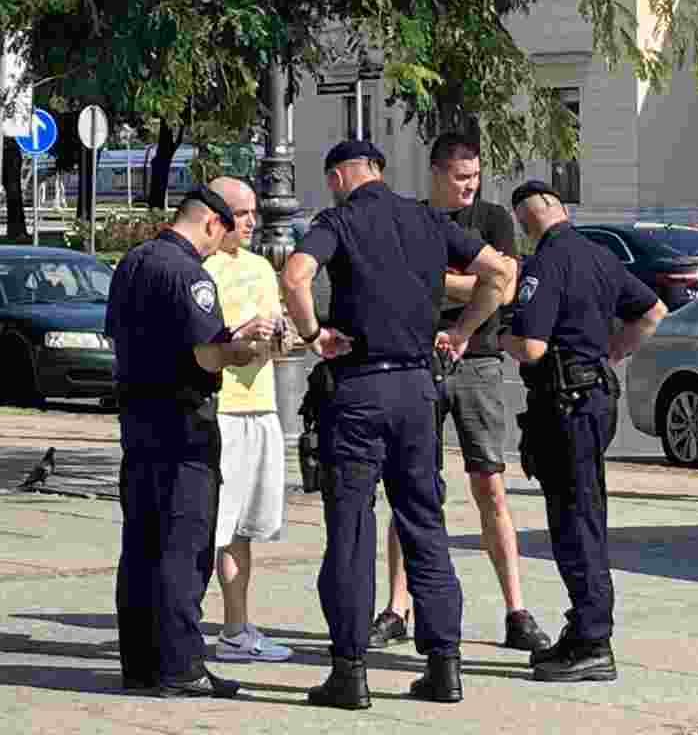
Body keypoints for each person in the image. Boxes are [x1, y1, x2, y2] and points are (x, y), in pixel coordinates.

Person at [281, 140, 516, 709]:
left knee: (352, 529)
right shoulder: (427, 219)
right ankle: (444, 666)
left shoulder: (337, 220)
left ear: (339, 177)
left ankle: (350, 670)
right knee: (424, 524)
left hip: (360, 386)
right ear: (381, 172)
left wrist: (315, 337)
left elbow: (294, 277)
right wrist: (463, 329)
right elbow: (501, 271)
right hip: (418, 388)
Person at [368, 133, 550, 654]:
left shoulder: (493, 220)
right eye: (460, 177)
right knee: (411, 486)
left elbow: (506, 286)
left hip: (480, 360)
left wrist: (438, 280)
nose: (469, 186)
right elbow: (403, 284)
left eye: (475, 176)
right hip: (420, 360)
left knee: (489, 482)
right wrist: (470, 279)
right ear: (436, 173)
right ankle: (396, 607)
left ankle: (516, 609)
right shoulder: (414, 218)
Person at [106, 184, 277, 698]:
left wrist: (229, 336)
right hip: (184, 429)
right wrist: (246, 343)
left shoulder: (133, 263)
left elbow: (122, 336)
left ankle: (140, 664)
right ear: (209, 223)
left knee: (140, 546)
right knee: (184, 548)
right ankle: (181, 667)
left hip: (138, 423)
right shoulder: (188, 272)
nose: (216, 247)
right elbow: (207, 354)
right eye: (220, 235)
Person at [499, 180, 666, 683]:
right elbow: (652, 312)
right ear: (560, 209)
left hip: (566, 405)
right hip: (594, 396)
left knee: (575, 522)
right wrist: (612, 353)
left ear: (525, 221)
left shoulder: (546, 262)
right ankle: (585, 627)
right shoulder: (598, 256)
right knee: (587, 513)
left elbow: (530, 347)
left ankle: (593, 639)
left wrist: (501, 333)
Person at [202, 177, 294, 662]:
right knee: (209, 525)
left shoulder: (260, 266)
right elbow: (203, 344)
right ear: (218, 214)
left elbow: (280, 342)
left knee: (243, 529)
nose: (253, 221)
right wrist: (241, 333)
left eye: (256, 212)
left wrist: (283, 334)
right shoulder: (200, 266)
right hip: (221, 411)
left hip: (261, 406)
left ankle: (236, 630)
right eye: (243, 213)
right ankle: (179, 624)